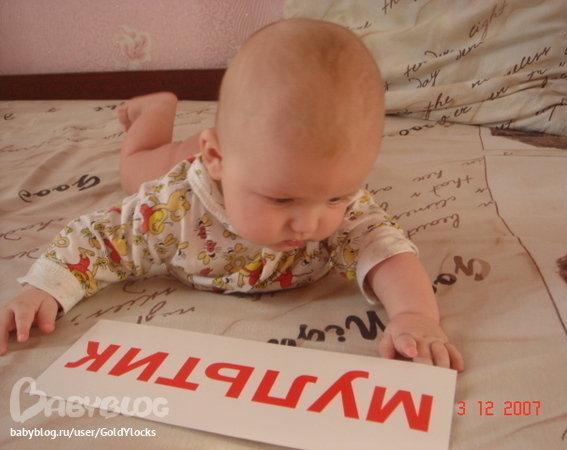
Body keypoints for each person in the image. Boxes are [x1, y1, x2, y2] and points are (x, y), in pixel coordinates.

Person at [0, 19, 463, 371]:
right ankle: (157, 107)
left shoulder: (338, 206)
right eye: (281, 200)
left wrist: (414, 315)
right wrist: (45, 287)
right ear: (216, 157)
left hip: (241, 155)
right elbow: (97, 239)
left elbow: (385, 250)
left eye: (336, 196)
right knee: (133, 168)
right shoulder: (170, 207)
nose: (311, 224)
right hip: (180, 161)